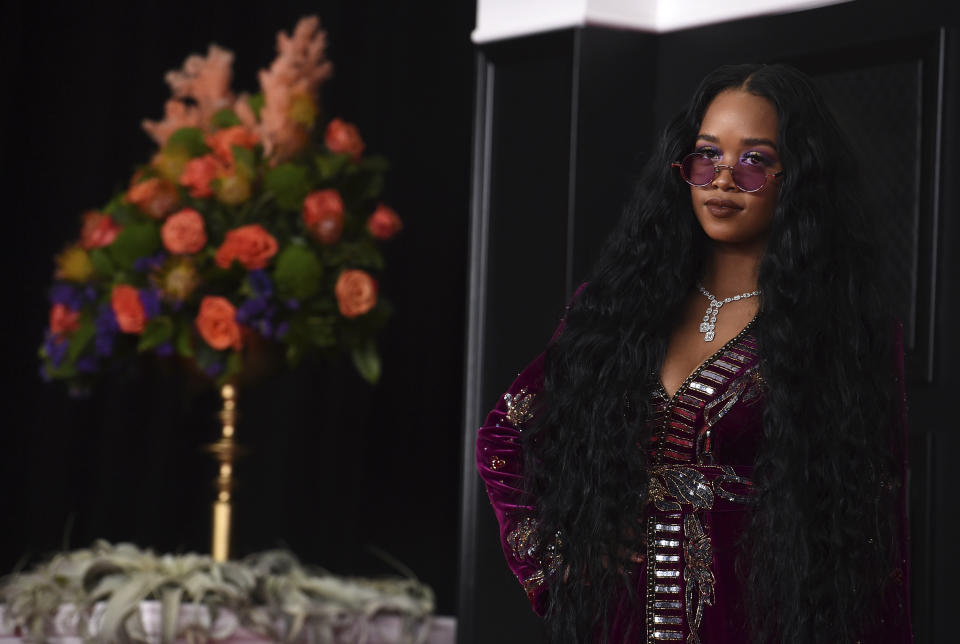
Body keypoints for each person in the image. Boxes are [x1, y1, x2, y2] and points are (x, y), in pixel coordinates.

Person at [476, 63, 912, 643]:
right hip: (620, 621)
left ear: (797, 178)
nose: (723, 178)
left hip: (763, 621)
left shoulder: (840, 331)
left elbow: (871, 528)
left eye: (755, 160)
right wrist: (560, 550)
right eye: (707, 155)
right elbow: (506, 433)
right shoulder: (617, 311)